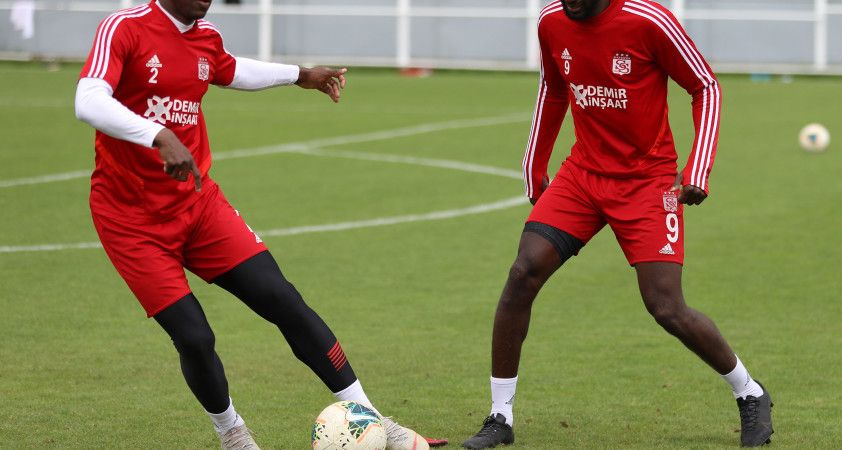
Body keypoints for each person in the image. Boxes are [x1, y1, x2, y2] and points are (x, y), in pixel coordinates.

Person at [73, 1, 443, 449]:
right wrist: (159, 134)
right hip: (131, 222)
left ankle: (376, 422)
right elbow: (88, 99)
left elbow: (232, 70)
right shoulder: (125, 28)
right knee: (194, 336)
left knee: (282, 299)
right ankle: (233, 435)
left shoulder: (205, 36)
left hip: (198, 205)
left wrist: (300, 74)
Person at [462, 0, 773, 448]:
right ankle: (500, 416)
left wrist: (698, 167)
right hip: (583, 176)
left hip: (648, 183)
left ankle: (749, 391)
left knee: (665, 306)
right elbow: (553, 89)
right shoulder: (551, 20)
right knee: (522, 272)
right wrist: (535, 164)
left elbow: (705, 86)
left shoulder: (650, 21)